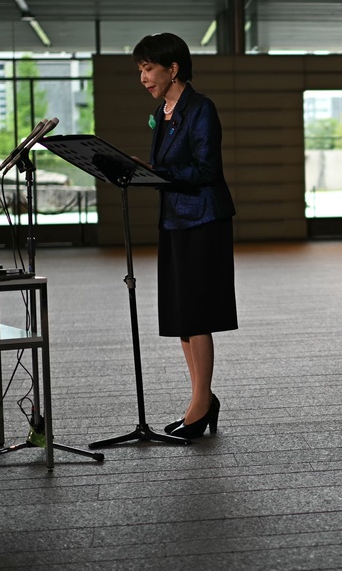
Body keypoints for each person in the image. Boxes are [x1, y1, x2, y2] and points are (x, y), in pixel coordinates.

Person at [133, 32, 237, 439]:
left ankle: (200, 405)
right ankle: (201, 399)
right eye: (140, 70)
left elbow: (207, 170)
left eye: (148, 69)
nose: (143, 78)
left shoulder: (201, 108)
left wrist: (157, 173)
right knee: (181, 318)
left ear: (173, 68)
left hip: (202, 220)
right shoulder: (164, 112)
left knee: (197, 316)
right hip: (174, 219)